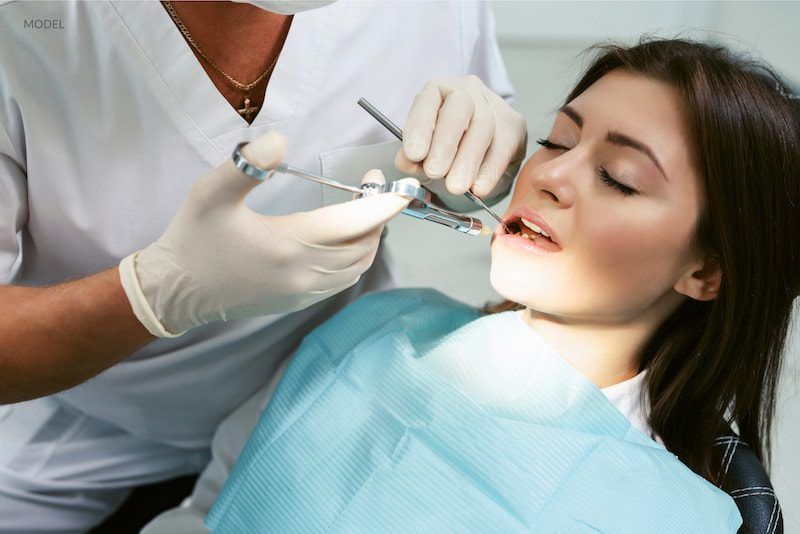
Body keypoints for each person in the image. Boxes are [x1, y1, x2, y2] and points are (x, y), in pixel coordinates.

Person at [144, 38, 799, 532]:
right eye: (556, 139)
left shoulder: (677, 517)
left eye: (620, 178)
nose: (552, 176)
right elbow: (215, 505)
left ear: (706, 272)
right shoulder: (377, 329)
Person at [0, 0, 527, 530]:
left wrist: (477, 175)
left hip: (317, 392)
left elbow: (463, 155)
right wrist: (153, 292)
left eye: (615, 178)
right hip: (80, 408)